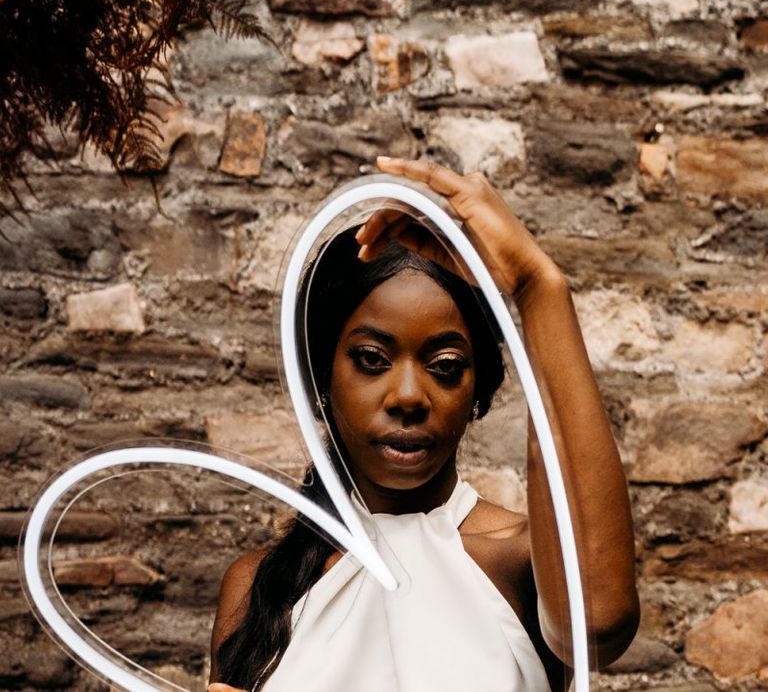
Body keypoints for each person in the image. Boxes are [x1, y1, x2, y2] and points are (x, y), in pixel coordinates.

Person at [208, 158, 640, 692]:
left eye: (445, 367)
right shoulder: (256, 589)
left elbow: (599, 622)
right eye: (370, 359)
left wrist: (536, 286)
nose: (409, 396)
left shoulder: (520, 562)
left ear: (478, 391)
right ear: (320, 376)